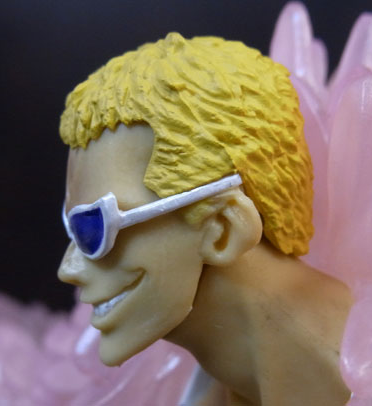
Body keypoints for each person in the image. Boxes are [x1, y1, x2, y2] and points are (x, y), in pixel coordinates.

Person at [58, 33, 352, 405]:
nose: (68, 269)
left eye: (93, 227)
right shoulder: (240, 366)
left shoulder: (339, 378)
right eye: (71, 224)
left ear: (222, 229)